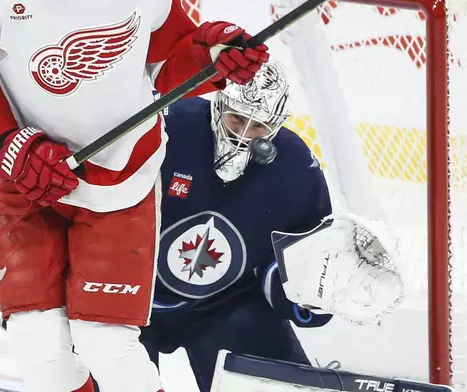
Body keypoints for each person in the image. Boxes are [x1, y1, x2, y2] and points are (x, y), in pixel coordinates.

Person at [0, 1, 270, 391]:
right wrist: (11, 140)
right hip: (29, 179)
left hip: (122, 176)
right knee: (40, 351)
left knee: (108, 347)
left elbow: (167, 63)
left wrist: (210, 58)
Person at [140, 62, 334, 392]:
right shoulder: (166, 125)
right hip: (126, 296)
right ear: (219, 103)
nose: (243, 134)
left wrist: (319, 291)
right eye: (237, 119)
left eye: (258, 126)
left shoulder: (294, 166)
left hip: (224, 304)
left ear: (276, 124)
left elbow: (308, 254)